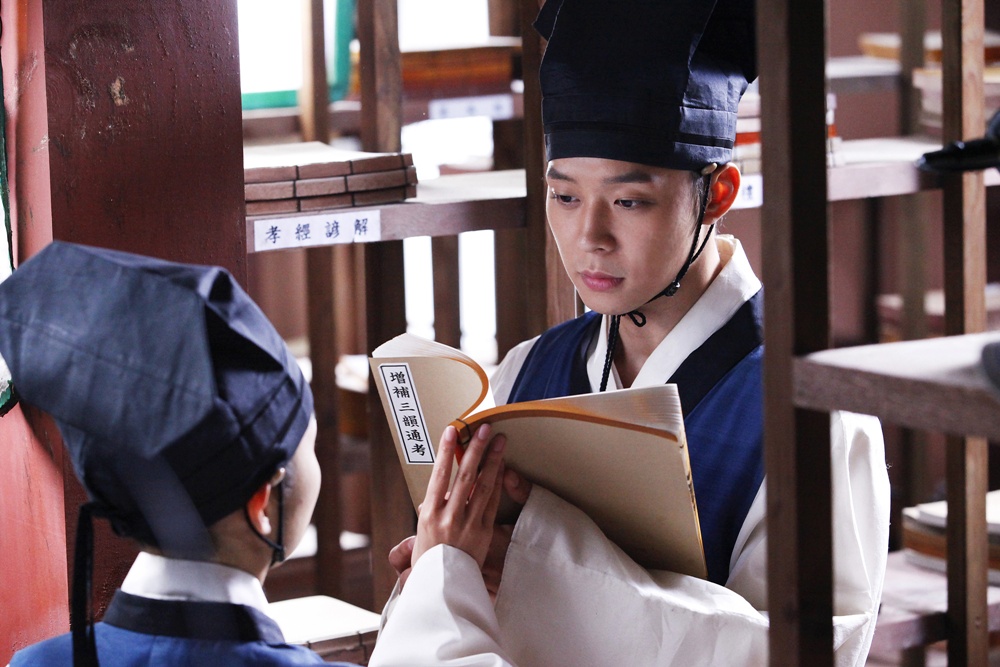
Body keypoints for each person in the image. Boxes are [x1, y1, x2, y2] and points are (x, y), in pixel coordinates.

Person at [374, 0, 890, 665]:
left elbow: (810, 651)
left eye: (629, 201)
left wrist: (532, 570)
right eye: (565, 196)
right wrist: (439, 576)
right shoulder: (528, 370)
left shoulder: (814, 412)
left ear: (718, 193)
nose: (590, 236)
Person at [1, 242, 509, 667]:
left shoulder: (31, 664)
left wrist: (421, 600)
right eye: (308, 445)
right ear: (262, 502)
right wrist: (447, 587)